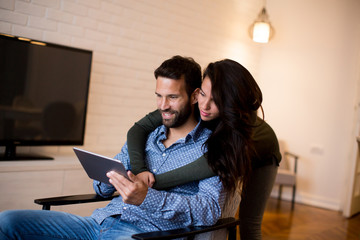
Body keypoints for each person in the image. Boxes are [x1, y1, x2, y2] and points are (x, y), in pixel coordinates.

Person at [0, 56, 226, 240]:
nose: (162, 106)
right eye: (158, 96)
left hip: (144, 234)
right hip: (97, 223)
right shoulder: (145, 137)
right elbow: (101, 189)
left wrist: (147, 198)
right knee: (8, 222)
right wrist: (107, 177)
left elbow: (208, 211)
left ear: (195, 95)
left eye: (173, 97)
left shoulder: (210, 148)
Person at [127, 59, 282, 240]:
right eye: (203, 94)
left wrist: (148, 184)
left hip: (262, 155)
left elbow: (206, 166)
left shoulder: (239, 122)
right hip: (223, 151)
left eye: (216, 100)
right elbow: (137, 129)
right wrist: (140, 170)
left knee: (250, 223)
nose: (205, 105)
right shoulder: (195, 101)